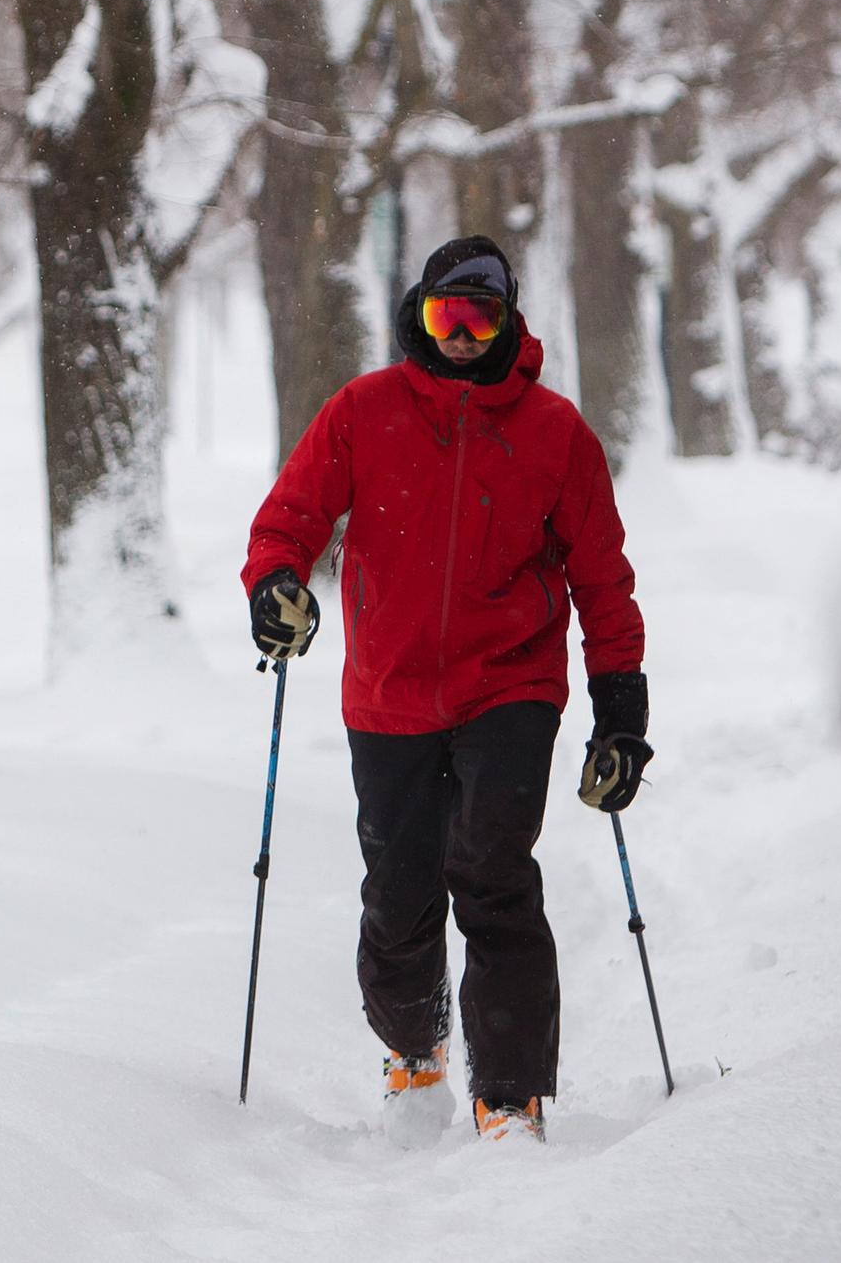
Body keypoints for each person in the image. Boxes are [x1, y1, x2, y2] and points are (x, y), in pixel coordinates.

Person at [240, 235, 651, 1144]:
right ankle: (413, 1043)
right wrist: (275, 584)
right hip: (387, 690)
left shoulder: (556, 433)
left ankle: (509, 1095)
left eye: (480, 317)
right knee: (399, 891)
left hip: (512, 684)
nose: (461, 334)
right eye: (445, 314)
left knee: (494, 875)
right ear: (420, 316)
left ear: (508, 323)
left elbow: (603, 581)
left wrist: (621, 710)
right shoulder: (365, 411)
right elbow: (289, 519)